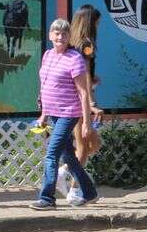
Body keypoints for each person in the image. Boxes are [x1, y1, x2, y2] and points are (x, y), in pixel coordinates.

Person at [31, 18, 99, 210]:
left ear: (69, 37)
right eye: (57, 33)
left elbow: (83, 92)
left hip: (69, 113)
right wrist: (43, 115)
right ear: (50, 35)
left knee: (52, 154)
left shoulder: (74, 58)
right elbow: (45, 88)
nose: (60, 37)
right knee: (68, 156)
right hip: (53, 113)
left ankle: (47, 198)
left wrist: (86, 122)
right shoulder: (47, 55)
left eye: (64, 34)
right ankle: (90, 192)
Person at [58, 4, 106, 198]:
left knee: (93, 144)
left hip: (69, 98)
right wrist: (92, 104)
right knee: (84, 145)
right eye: (97, 22)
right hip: (79, 103)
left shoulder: (71, 45)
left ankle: (65, 172)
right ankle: (74, 188)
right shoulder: (87, 45)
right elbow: (84, 74)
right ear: (90, 22)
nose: (99, 26)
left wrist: (93, 80)